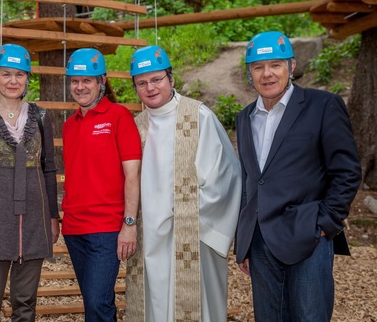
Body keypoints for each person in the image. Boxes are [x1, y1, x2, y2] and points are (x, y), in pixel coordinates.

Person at [235, 31, 362, 321]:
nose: (267, 74)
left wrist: (325, 223)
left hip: (307, 236)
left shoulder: (323, 106)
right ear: (249, 73)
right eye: (258, 67)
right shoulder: (244, 118)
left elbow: (347, 170)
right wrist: (243, 239)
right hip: (260, 242)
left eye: (275, 65)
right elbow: (249, 181)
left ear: (292, 67)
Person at [124, 46, 242, 322]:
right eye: (142, 83)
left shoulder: (198, 116)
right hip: (148, 237)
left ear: (171, 79)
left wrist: (190, 218)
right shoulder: (136, 126)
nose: (150, 88)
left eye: (156, 79)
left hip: (192, 233)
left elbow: (225, 176)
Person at [0, 43, 60, 321]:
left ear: (28, 78)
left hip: (33, 225)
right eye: (6, 74)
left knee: (26, 306)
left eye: (19, 74)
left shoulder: (41, 118)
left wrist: (52, 217)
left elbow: (49, 170)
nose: (13, 81)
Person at [61, 48, 141, 321]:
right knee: (94, 303)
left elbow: (132, 175)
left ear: (101, 82)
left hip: (106, 229)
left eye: (87, 80)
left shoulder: (120, 116)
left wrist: (129, 224)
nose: (80, 86)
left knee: (98, 302)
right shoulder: (69, 125)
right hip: (73, 228)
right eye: (74, 80)